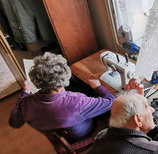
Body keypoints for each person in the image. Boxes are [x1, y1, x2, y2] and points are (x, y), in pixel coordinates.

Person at [9, 52, 140, 143]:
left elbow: (14, 122)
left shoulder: (26, 102)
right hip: (82, 134)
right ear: (65, 77)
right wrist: (97, 87)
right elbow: (112, 102)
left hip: (61, 135)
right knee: (109, 111)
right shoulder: (77, 101)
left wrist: (25, 93)